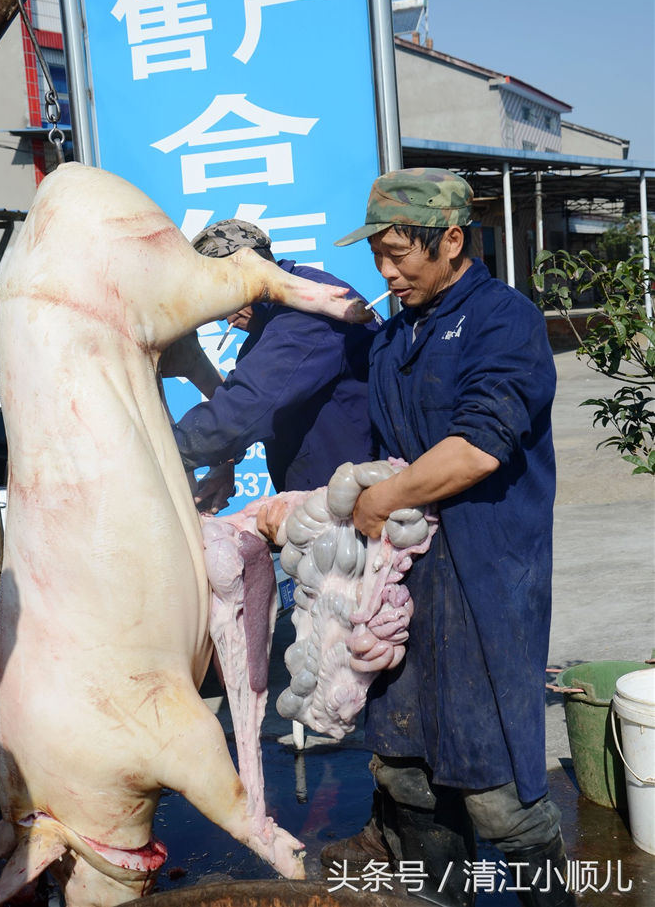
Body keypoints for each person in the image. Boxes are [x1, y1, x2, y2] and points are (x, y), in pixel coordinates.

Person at [319, 168, 573, 907]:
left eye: (400, 253)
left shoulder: (505, 320)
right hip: (407, 584)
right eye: (378, 255)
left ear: (453, 239)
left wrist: (384, 499)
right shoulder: (396, 333)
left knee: (497, 791)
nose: (387, 271)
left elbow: (478, 448)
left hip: (485, 578)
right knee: (407, 771)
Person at [171, 219, 379, 510]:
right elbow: (243, 400)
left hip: (359, 505)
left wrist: (164, 452)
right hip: (330, 500)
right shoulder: (268, 329)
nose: (223, 317)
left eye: (223, 296)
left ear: (252, 275)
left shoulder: (308, 316)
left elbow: (249, 406)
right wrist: (225, 462)